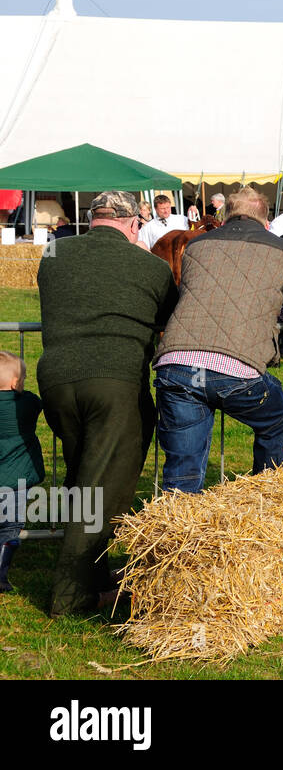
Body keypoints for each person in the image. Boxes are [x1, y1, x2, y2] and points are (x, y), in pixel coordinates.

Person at [37, 191, 177, 615]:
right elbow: (168, 316)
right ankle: (71, 595)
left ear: (92, 218)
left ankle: (93, 573)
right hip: (114, 380)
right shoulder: (151, 267)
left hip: (57, 379)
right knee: (101, 487)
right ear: (134, 224)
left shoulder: (54, 252)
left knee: (84, 478)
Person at [153, 188, 283, 493]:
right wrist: (274, 311)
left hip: (176, 363)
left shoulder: (196, 246)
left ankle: (177, 532)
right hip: (236, 368)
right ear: (266, 219)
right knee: (276, 417)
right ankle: (263, 497)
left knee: (181, 474)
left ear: (226, 215)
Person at [0, 352, 42, 594]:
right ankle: (1, 573)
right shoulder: (26, 404)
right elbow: (37, 402)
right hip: (15, 484)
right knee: (9, 528)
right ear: (16, 383)